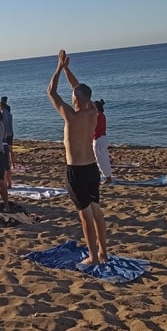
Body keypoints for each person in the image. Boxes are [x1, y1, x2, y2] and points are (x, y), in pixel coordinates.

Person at [48, 49, 108, 265]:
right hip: (92, 168)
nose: (72, 95)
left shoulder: (71, 116)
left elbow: (51, 91)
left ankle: (93, 256)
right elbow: (80, 89)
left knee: (86, 216)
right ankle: (103, 251)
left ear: (76, 99)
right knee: (97, 212)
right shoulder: (93, 112)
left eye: (74, 95)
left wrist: (58, 67)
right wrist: (67, 69)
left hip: (76, 171)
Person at [92, 99, 112, 184]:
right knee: (104, 158)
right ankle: (107, 176)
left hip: (98, 139)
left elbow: (93, 127)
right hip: (103, 138)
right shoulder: (102, 115)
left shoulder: (96, 116)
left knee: (100, 160)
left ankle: (107, 177)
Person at [0, 97, 17, 168]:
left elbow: (3, 124)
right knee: (10, 150)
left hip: (5, 134)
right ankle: (13, 165)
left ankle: (7, 165)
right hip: (11, 133)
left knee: (5, 150)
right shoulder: (9, 114)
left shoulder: (3, 114)